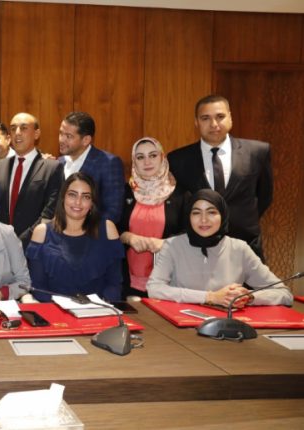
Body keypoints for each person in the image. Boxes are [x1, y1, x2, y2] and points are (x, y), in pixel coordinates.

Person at [167, 95, 273, 260]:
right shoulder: (177, 159)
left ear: (230, 117)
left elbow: (265, 196)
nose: (214, 124)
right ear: (196, 122)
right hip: (196, 250)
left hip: (246, 246)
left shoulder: (257, 152)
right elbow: (178, 206)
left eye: (220, 116)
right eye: (205, 118)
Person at [146, 189, 292, 307]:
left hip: (226, 324)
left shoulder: (239, 249)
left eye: (211, 212)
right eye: (196, 213)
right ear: (188, 217)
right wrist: (210, 297)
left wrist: (249, 297)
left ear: (223, 215)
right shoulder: (173, 245)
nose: (204, 219)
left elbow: (283, 293)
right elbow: (154, 289)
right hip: (180, 323)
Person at [26, 172, 123, 302]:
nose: (78, 202)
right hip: (55, 310)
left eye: (86, 197)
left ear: (92, 203)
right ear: (63, 198)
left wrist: (101, 306)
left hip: (98, 310)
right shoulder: (41, 233)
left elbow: (114, 284)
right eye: (72, 195)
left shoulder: (108, 229)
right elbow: (38, 288)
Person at [119, 137, 187, 297]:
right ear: (134, 162)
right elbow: (111, 227)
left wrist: (166, 243)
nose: (147, 162)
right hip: (127, 282)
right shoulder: (124, 192)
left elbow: (190, 233)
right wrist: (127, 237)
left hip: (169, 282)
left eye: (153, 155)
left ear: (162, 157)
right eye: (140, 157)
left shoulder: (180, 194)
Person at [0, 112, 62, 247]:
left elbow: (49, 212)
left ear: (36, 134)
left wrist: (21, 240)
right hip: (0, 244)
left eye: (23, 128)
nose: (17, 133)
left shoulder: (52, 167)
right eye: (13, 128)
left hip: (35, 245)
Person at [58, 111, 125, 224]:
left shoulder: (108, 163)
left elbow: (113, 212)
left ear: (86, 140)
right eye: (61, 133)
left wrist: (80, 231)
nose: (61, 139)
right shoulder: (58, 163)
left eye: (68, 136)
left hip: (93, 232)